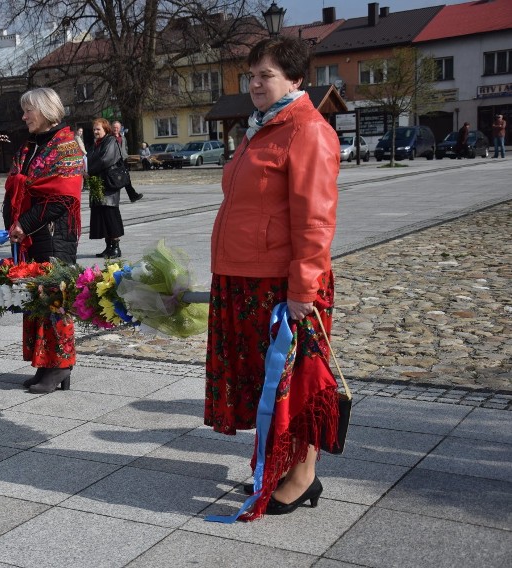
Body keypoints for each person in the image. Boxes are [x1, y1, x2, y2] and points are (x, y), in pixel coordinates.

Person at [206, 36, 340, 520]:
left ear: (296, 80)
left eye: (267, 75)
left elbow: (316, 220)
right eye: (252, 75)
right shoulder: (260, 128)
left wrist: (303, 289)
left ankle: (303, 477)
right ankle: (281, 464)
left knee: (297, 382)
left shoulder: (308, 131)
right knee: (268, 384)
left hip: (283, 284)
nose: (256, 84)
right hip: (244, 277)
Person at [4, 87, 84, 394]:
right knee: (36, 296)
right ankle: (44, 363)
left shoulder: (66, 147)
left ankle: (60, 366)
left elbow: (62, 196)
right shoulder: (31, 146)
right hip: (33, 236)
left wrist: (23, 222)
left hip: (55, 234)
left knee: (55, 298)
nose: (24, 117)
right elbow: (19, 184)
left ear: (47, 111)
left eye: (28, 111)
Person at [87, 118, 125, 259]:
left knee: (110, 216)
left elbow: (105, 160)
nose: (95, 131)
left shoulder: (110, 141)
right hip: (99, 185)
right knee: (102, 217)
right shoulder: (96, 144)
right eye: (94, 129)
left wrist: (89, 171)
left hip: (109, 185)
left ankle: (116, 247)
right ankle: (108, 247)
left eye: (98, 129)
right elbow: (89, 158)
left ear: (105, 130)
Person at [111, 121, 144, 202]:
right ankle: (115, 197)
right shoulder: (109, 138)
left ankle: (133, 196)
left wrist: (125, 155)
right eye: (114, 127)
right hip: (114, 162)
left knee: (126, 178)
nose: (115, 129)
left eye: (117, 127)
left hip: (123, 160)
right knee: (116, 180)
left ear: (120, 128)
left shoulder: (122, 137)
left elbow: (125, 147)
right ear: (111, 128)